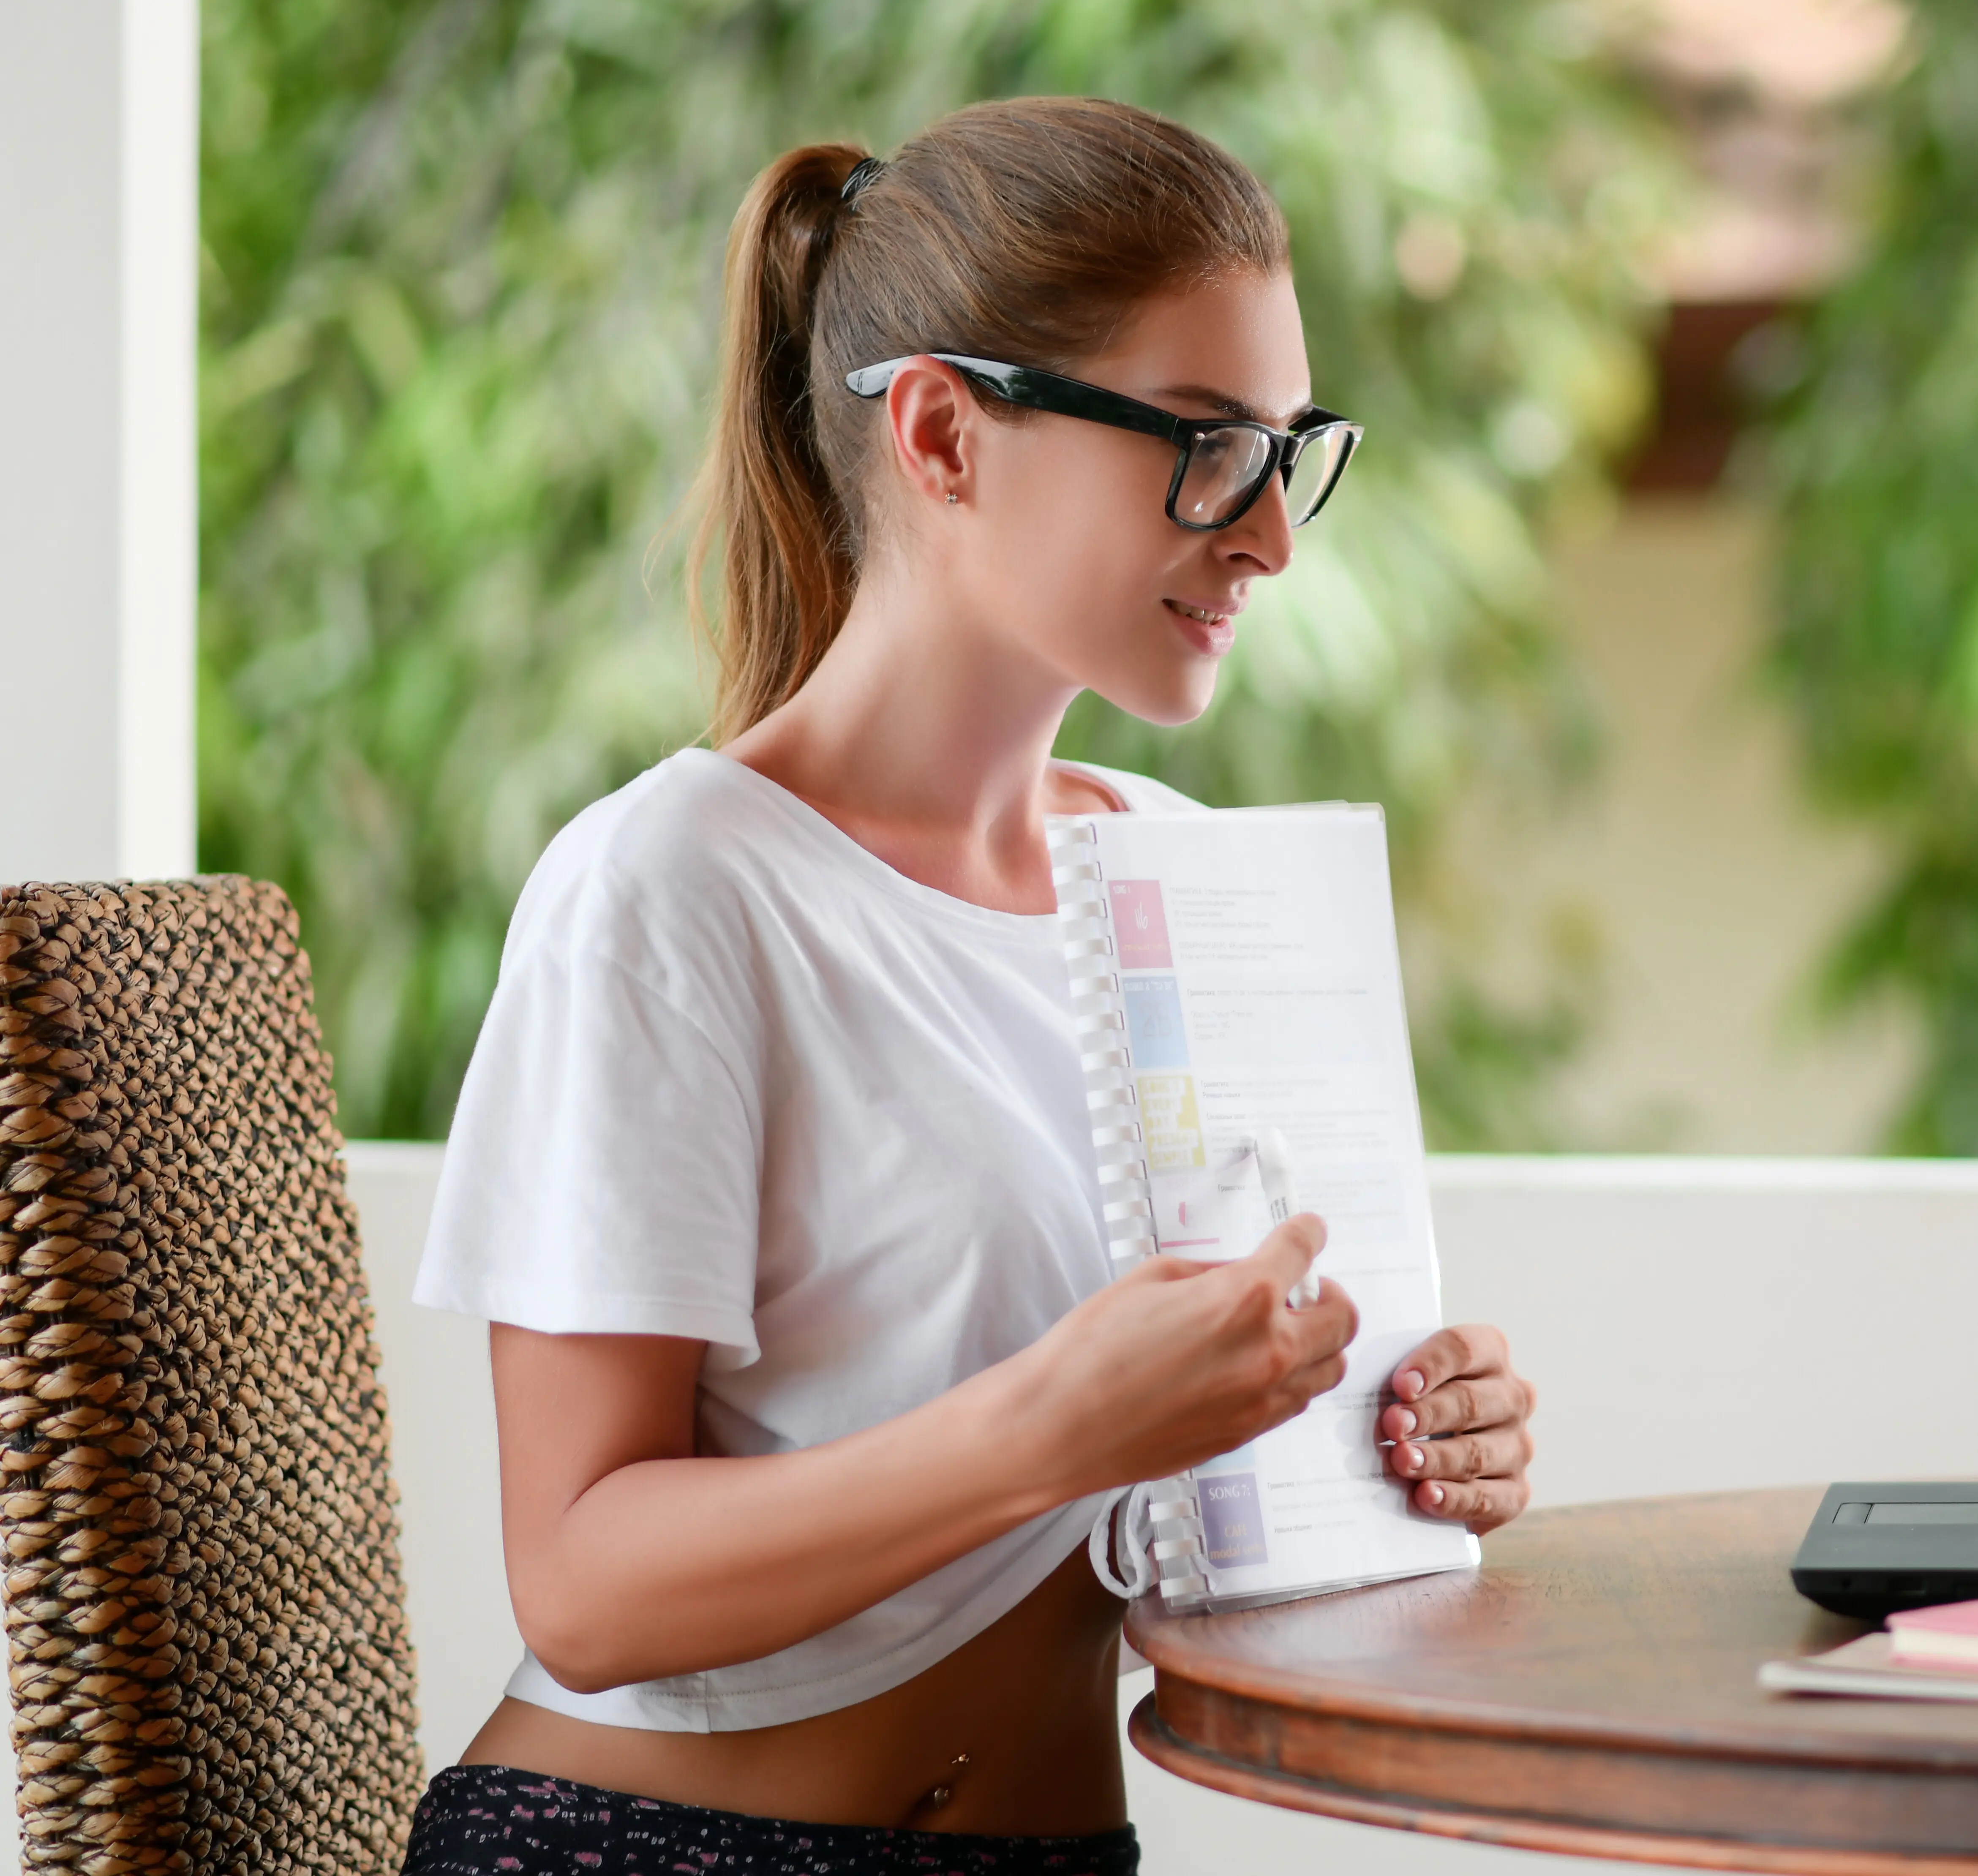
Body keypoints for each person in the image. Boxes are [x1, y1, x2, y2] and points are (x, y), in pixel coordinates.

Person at [403, 98, 1536, 1873]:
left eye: (1286, 450)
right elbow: (583, 1585)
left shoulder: (1183, 882)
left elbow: (1193, 1455)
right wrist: (1049, 1424)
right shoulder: (679, 887)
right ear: (942, 432)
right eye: (1204, 444)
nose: (1269, 538)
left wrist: (1400, 1422)